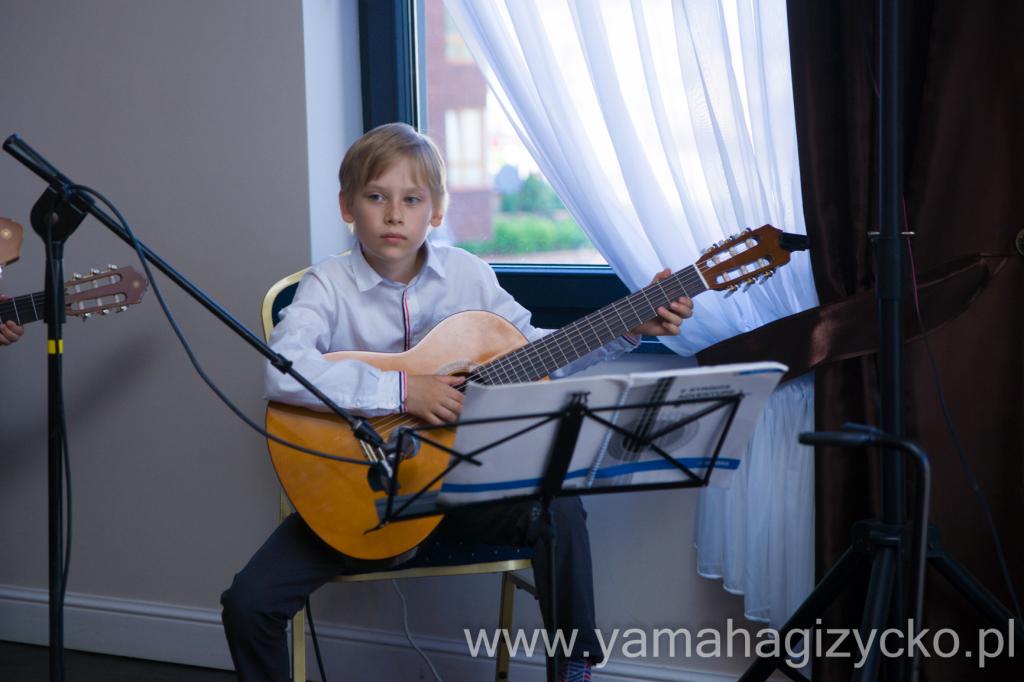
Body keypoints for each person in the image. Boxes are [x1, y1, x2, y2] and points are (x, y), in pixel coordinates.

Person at [220, 123, 693, 682]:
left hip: (461, 494)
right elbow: (283, 370)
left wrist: (628, 326)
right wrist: (403, 391)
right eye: (376, 197)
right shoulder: (327, 285)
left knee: (559, 504)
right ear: (347, 206)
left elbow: (534, 352)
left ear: (437, 211)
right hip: (356, 500)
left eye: (412, 199)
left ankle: (574, 666)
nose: (394, 215)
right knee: (248, 603)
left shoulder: (469, 275)